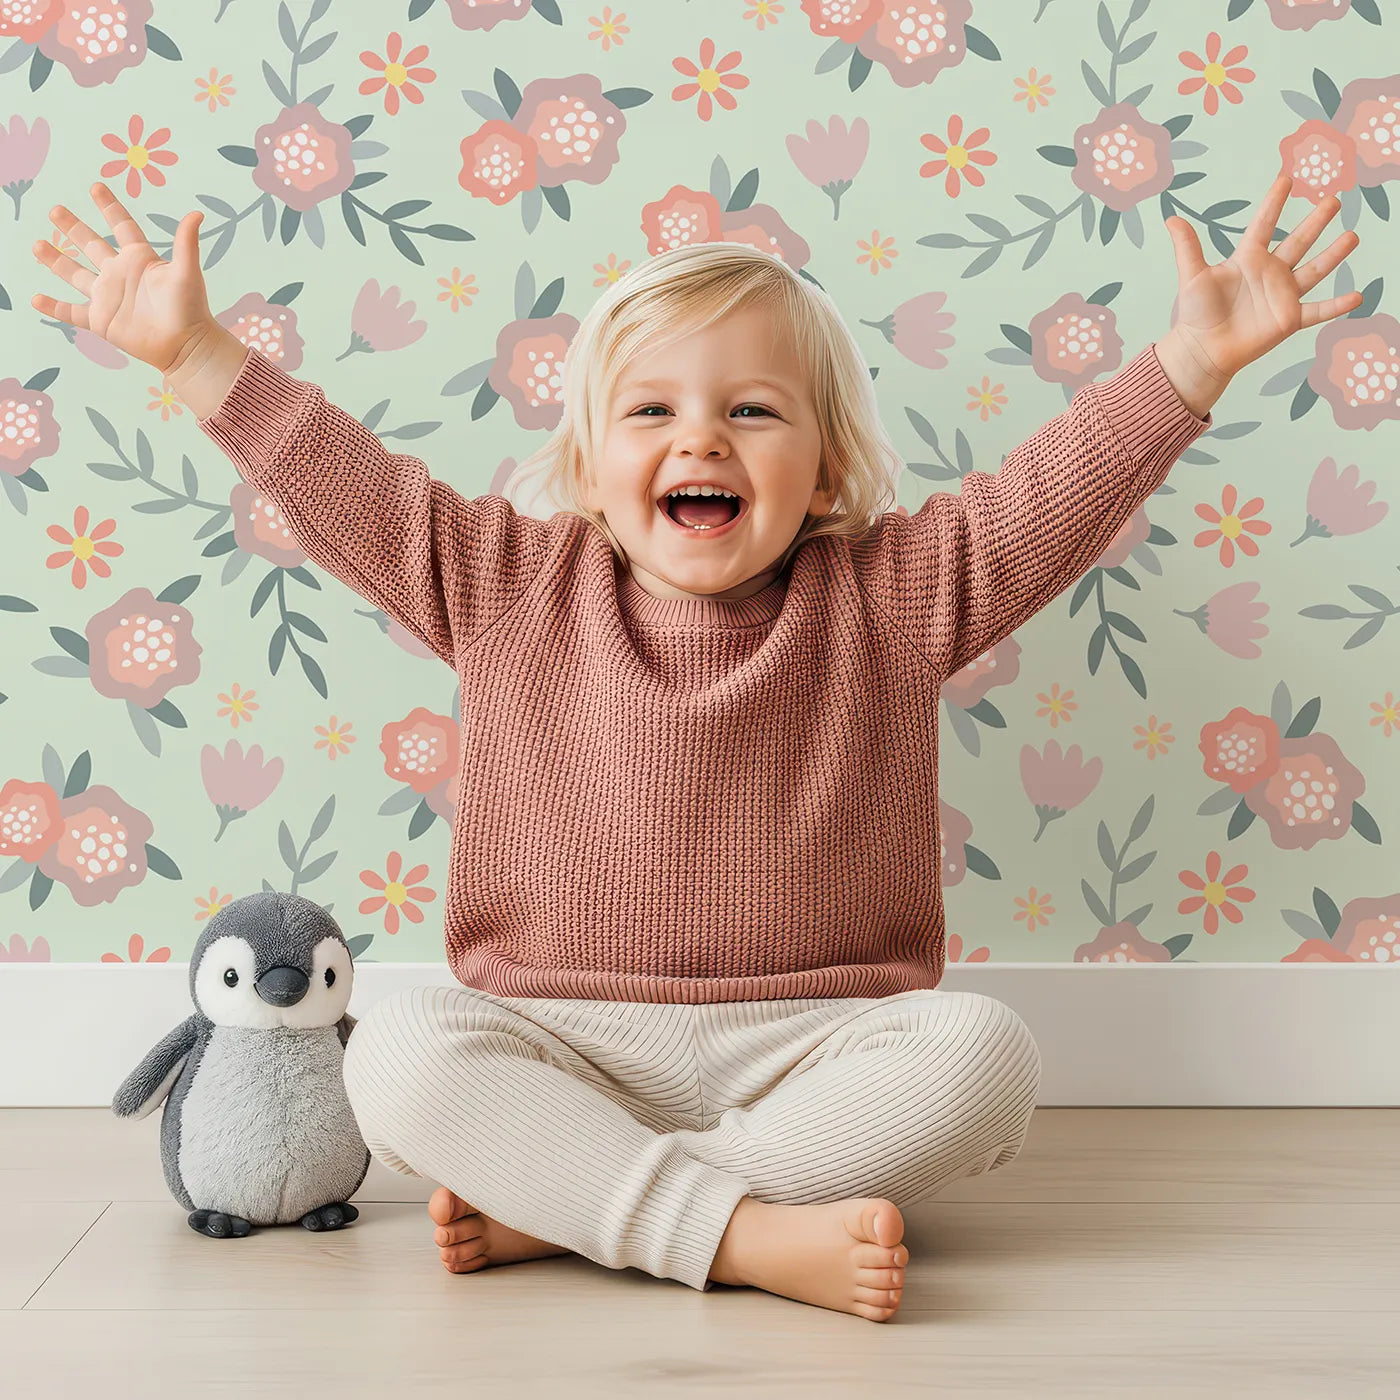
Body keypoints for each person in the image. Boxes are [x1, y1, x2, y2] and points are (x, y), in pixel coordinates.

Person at [31, 174, 1360, 1322]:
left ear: (830, 470)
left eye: (753, 413)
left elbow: (1042, 501)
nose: (701, 438)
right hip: (555, 1040)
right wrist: (195, 352)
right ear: (590, 464)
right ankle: (738, 1235)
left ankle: (580, 1211)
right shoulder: (502, 582)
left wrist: (1189, 365)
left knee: (987, 1056)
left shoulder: (893, 596)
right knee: (395, 1055)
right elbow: (346, 482)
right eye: (652, 412)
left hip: (818, 1048)